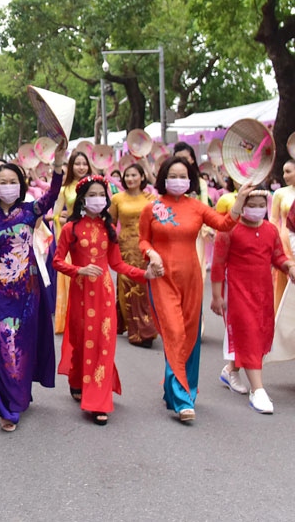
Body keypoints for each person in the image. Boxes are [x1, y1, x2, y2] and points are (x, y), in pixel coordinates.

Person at [139, 157, 251, 423]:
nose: (178, 180)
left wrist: (240, 200)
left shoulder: (198, 207)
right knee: (174, 332)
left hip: (191, 278)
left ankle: (180, 389)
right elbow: (143, 239)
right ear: (164, 178)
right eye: (173, 175)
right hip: (162, 277)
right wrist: (151, 253)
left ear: (190, 179)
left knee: (189, 335)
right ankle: (181, 400)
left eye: (183, 175)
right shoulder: (152, 208)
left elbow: (224, 224)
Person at [0, 143, 67, 432]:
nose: (7, 186)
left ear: (20, 186)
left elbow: (54, 192)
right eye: (2, 182)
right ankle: (7, 405)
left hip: (28, 290)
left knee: (23, 343)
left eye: (13, 182)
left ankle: (20, 391)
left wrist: (58, 162)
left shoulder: (31, 210)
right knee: (2, 344)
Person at [53, 175, 150, 425]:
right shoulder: (70, 229)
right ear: (83, 199)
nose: (98, 199)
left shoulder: (109, 228)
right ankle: (77, 380)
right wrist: (79, 270)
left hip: (105, 295)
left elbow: (117, 264)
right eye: (92, 195)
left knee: (103, 345)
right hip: (81, 293)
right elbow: (57, 261)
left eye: (101, 195)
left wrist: (144, 275)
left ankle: (98, 401)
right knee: (81, 339)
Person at [210, 189, 295, 414]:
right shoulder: (229, 230)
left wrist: (289, 266)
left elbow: (277, 256)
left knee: (260, 334)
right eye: (252, 204)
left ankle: (230, 370)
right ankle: (258, 391)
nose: (257, 209)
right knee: (248, 334)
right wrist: (217, 296)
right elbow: (218, 263)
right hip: (238, 291)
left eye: (261, 204)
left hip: (264, 292)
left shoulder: (270, 230)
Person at [110, 162, 158, 347]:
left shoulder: (151, 198)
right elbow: (111, 223)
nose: (130, 179)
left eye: (134, 175)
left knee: (145, 288)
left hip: (146, 247)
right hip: (125, 247)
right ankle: (135, 331)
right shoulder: (117, 199)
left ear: (142, 177)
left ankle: (146, 329)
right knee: (128, 287)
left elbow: (158, 222)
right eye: (127, 175)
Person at [52, 150, 92, 334]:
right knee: (72, 279)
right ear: (71, 167)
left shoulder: (95, 187)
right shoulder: (64, 190)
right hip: (72, 240)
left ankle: (91, 318)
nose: (81, 167)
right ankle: (72, 319)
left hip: (92, 240)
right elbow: (54, 215)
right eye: (77, 163)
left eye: (84, 163)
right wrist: (63, 229)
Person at [270, 159, 295, 307]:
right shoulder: (280, 193)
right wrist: (275, 240)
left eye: (288, 171)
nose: (284, 175)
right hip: (284, 240)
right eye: (283, 172)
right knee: (284, 279)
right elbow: (274, 218)